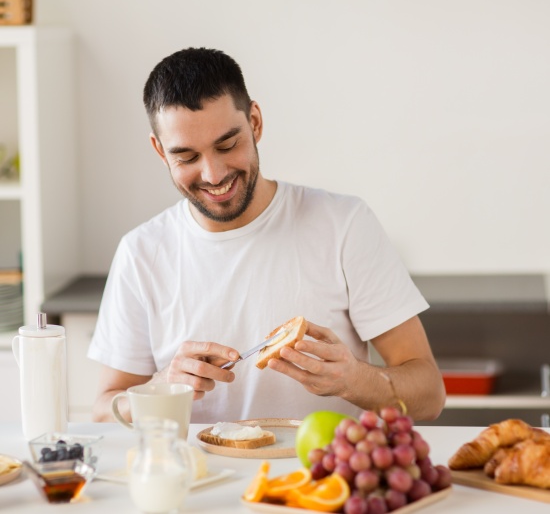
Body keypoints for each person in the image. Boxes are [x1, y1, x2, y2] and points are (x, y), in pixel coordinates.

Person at [88, 47, 446, 425]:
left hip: (322, 479)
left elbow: (429, 395)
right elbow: (101, 411)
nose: (213, 174)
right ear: (160, 151)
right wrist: (159, 389)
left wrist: (353, 379)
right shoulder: (141, 252)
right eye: (187, 157)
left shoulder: (344, 224)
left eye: (227, 145)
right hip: (199, 480)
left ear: (255, 122)